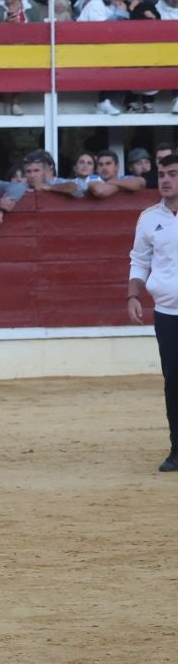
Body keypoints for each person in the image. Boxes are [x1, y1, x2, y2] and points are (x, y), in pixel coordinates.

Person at [126, 150, 178, 472]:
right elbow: (139, 259)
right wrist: (133, 294)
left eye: (173, 173)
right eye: (162, 175)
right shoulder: (149, 217)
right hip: (167, 313)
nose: (166, 180)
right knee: (173, 381)